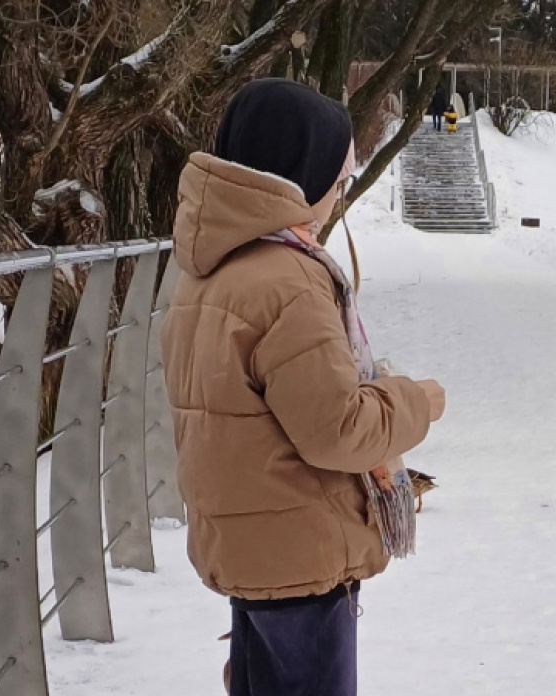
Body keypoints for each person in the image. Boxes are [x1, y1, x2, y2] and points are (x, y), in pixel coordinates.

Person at [160, 78, 446, 696]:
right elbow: (337, 429)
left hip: (248, 551)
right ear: (301, 175)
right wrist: (416, 400)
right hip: (302, 559)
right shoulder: (288, 279)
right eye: (337, 179)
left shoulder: (205, 272)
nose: (339, 195)